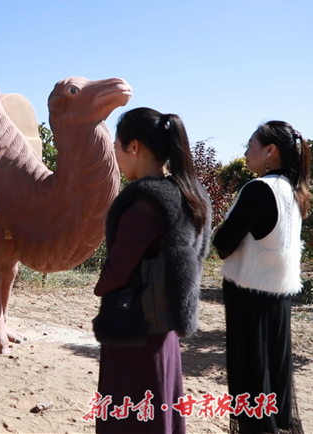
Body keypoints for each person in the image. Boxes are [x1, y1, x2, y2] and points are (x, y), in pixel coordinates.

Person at [91, 107, 212, 433]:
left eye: (117, 147)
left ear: (134, 147)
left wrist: (101, 286)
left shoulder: (145, 203)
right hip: (164, 329)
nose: (115, 157)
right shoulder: (187, 193)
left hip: (134, 332)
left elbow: (117, 270)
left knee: (130, 417)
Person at [213, 121, 311, 434]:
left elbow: (224, 244)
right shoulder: (293, 191)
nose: (245, 152)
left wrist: (218, 230)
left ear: (270, 151)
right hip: (279, 298)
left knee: (252, 382)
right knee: (274, 379)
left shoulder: (259, 189)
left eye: (250, 146)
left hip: (249, 299)